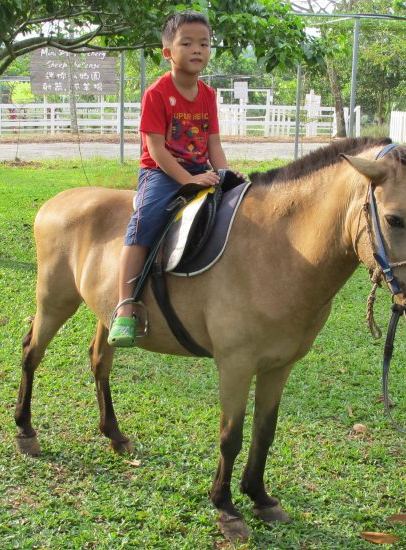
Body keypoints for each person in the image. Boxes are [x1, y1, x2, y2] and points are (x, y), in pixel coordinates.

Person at [107, 11, 235, 347]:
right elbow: (157, 149)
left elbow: (214, 145)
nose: (198, 50)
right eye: (188, 43)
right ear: (168, 52)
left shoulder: (207, 95)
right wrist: (185, 181)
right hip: (161, 172)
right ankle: (125, 307)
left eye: (204, 44)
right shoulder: (158, 93)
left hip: (200, 169)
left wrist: (223, 174)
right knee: (144, 223)